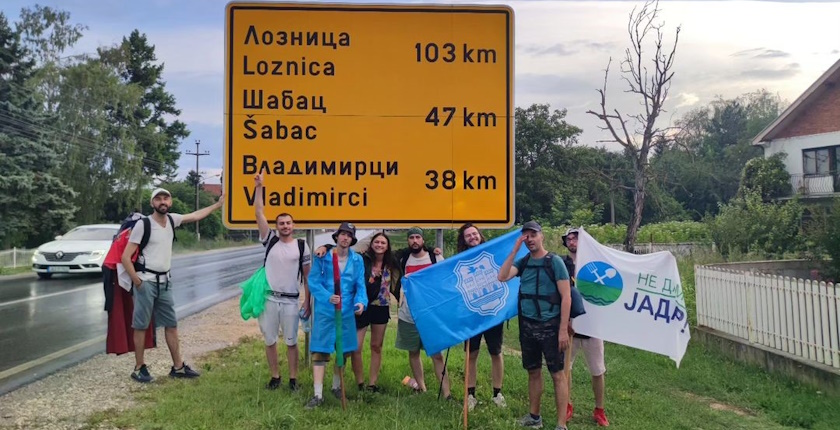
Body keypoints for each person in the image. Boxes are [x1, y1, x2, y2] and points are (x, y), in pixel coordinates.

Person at [121, 187, 223, 383]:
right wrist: (138, 282)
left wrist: (217, 205)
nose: (162, 201)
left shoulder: (171, 220)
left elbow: (195, 215)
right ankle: (139, 368)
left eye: (165, 198)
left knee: (171, 324)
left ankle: (178, 367)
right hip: (146, 282)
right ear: (152, 203)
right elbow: (126, 257)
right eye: (158, 199)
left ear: (170, 202)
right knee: (141, 326)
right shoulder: (143, 225)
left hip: (165, 282)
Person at [498, 221, 572, 430]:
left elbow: (566, 297)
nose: (530, 239)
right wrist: (514, 250)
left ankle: (561, 425)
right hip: (528, 326)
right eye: (526, 236)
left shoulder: (554, 262)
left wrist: (563, 330)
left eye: (533, 234)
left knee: (557, 373)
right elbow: (502, 276)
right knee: (533, 371)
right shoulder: (523, 262)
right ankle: (534, 417)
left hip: (551, 326)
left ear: (542, 236)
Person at [254, 172, 312, 392]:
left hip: (290, 301)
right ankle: (275, 376)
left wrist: (307, 301)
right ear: (276, 226)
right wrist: (259, 187)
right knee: (270, 340)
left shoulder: (301, 246)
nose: (285, 226)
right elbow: (259, 212)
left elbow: (307, 277)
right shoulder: (270, 240)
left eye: (288, 223)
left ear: (293, 225)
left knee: (291, 342)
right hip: (268, 299)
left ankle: (293, 379)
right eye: (281, 223)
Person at [305, 222, 367, 409]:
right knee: (320, 350)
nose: (345, 238)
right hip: (325, 311)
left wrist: (361, 302)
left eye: (349, 235)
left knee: (344, 350)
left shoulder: (357, 260)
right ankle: (317, 395)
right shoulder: (323, 257)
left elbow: (360, 285)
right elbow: (313, 281)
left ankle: (336, 386)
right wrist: (326, 296)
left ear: (352, 239)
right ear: (337, 236)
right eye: (343, 234)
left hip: (346, 311)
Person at [395, 227, 452, 400]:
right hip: (408, 314)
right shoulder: (403, 259)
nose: (414, 240)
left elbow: (446, 280)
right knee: (413, 352)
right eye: (411, 237)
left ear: (423, 240)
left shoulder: (435, 257)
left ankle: (447, 394)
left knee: (437, 355)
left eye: (417, 237)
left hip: (431, 315)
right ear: (408, 240)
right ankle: (421, 388)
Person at [562, 228, 610, 427]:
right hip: (570, 326)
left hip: (593, 325)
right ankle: (566, 405)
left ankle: (599, 409)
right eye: (569, 239)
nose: (572, 241)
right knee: (565, 368)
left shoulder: (595, 265)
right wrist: (565, 321)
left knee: (597, 370)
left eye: (576, 238)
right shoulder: (562, 265)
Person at [458, 223, 506, 410]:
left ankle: (497, 393)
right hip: (472, 314)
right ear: (464, 240)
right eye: (468, 235)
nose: (472, 237)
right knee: (472, 354)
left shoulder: (492, 253)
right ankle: (470, 395)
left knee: (496, 352)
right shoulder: (460, 260)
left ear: (480, 235)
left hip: (493, 312)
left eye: (474, 234)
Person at [351, 232, 399, 392]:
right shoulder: (363, 259)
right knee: (356, 347)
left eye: (383, 243)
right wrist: (325, 247)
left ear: (387, 246)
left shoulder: (392, 261)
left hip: (381, 306)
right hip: (362, 306)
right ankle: (360, 383)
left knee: (376, 346)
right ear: (371, 244)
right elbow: (343, 249)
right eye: (376, 242)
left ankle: (372, 384)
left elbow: (411, 251)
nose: (379, 245)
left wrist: (433, 250)